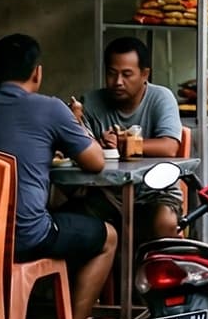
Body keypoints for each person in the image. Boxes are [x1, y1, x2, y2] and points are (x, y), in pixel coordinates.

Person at [0, 34, 117, 319]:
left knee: (55, 215)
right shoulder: (52, 108)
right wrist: (74, 123)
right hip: (27, 236)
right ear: (37, 73)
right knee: (108, 237)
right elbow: (96, 162)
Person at [77, 37, 183, 241]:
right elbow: (81, 148)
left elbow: (169, 147)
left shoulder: (161, 98)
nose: (117, 82)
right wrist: (99, 144)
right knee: (77, 224)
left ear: (145, 74)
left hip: (156, 192)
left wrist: (124, 144)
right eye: (111, 73)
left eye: (127, 74)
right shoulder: (90, 102)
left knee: (165, 223)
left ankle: (167, 272)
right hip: (105, 192)